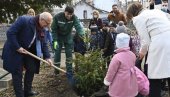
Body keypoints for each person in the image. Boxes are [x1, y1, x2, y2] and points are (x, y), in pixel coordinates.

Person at [1, 12, 53, 97]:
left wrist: (47, 57)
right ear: (41, 19)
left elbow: (43, 43)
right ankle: (20, 95)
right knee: (17, 73)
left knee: (32, 67)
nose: (47, 25)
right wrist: (18, 47)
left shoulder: (42, 28)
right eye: (47, 23)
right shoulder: (24, 20)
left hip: (26, 50)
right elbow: (10, 33)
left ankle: (27, 91)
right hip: (14, 49)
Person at [126, 2, 170, 97]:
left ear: (132, 14)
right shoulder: (157, 11)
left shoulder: (138, 18)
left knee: (154, 76)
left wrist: (141, 55)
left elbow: (145, 41)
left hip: (159, 43)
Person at [51, 6, 84, 82]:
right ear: (64, 12)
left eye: (71, 14)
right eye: (67, 14)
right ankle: (56, 72)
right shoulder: (57, 17)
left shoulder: (74, 18)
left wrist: (82, 35)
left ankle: (69, 71)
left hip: (68, 37)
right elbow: (54, 29)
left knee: (69, 54)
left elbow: (78, 26)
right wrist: (55, 40)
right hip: (58, 37)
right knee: (57, 54)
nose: (69, 16)